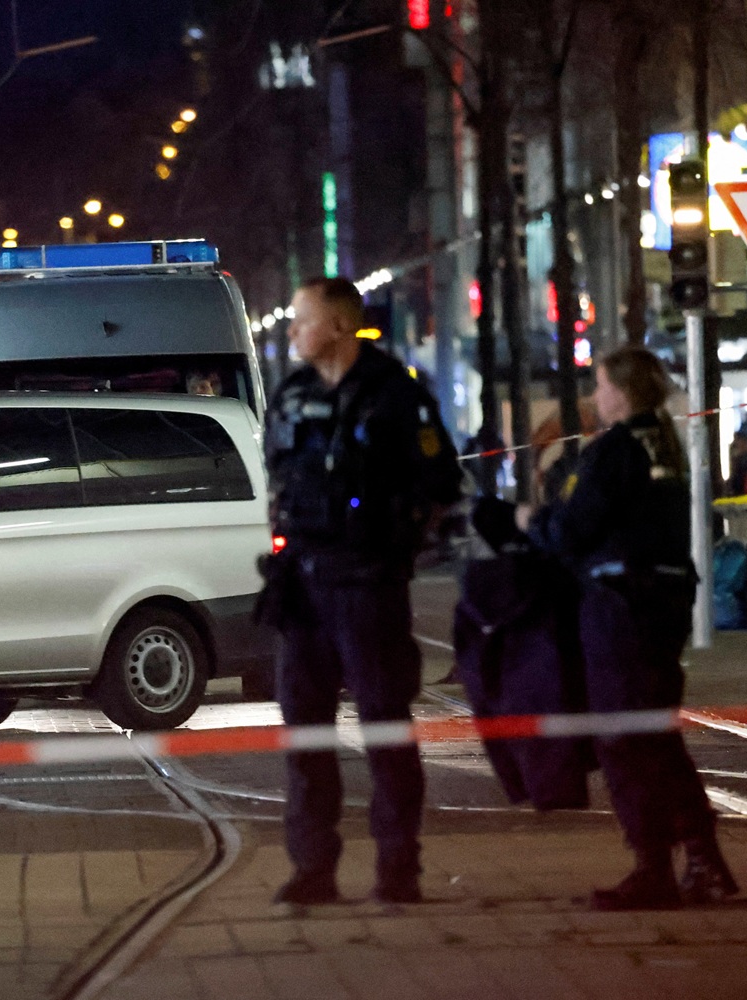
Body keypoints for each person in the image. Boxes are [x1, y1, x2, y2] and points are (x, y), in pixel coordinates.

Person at [516, 345, 737, 910]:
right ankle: (703, 856)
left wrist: (533, 521)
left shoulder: (614, 450)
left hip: (620, 609)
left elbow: (573, 530)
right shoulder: (661, 441)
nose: (595, 396)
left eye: (601, 386)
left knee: (624, 741)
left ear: (622, 390)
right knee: (657, 736)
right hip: (660, 601)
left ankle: (653, 866)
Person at [259, 277, 452, 906]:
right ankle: (313, 867)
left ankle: (399, 869)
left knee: (385, 728)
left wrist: (395, 545)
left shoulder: (396, 394)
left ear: (340, 326)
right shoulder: (290, 397)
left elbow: (438, 483)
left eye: (302, 320)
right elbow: (278, 483)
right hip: (306, 588)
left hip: (369, 586)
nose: (292, 333)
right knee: (305, 731)